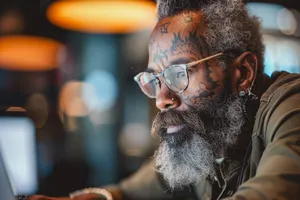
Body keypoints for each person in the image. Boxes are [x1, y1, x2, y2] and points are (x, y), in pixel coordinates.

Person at [29, 0, 300, 199]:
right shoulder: (205, 137)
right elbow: (128, 191)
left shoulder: (291, 103)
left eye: (179, 73)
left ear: (243, 73)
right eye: (155, 79)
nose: (161, 99)